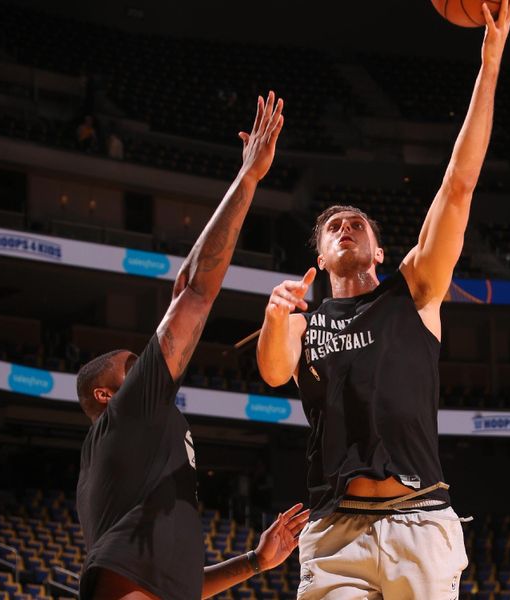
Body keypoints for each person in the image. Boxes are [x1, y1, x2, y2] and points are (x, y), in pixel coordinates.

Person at [256, 2, 510, 598]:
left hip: (419, 522)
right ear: (320, 257)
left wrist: (490, 63)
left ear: (379, 251)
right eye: (332, 227)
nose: (345, 226)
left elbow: (459, 182)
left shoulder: (415, 292)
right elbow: (274, 372)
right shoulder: (307, 317)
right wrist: (277, 316)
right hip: (335, 533)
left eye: (357, 224)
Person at [75, 92, 308, 600]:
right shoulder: (129, 413)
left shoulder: (129, 463)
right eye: (132, 368)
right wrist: (248, 178)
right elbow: (194, 290)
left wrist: (254, 561)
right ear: (106, 396)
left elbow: (178, 586)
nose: (146, 368)